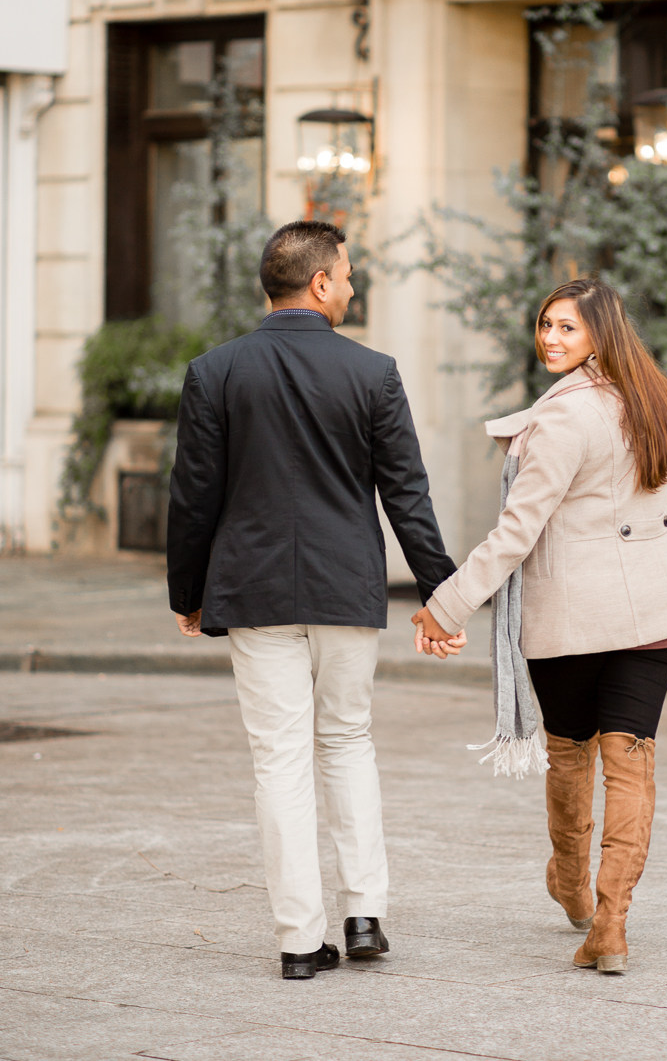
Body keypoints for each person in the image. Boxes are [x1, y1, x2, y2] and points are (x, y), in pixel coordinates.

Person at [167, 220, 461, 980]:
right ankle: (364, 911)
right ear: (321, 282)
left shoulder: (215, 371)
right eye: (350, 275)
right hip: (344, 588)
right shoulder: (373, 372)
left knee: (280, 763)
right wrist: (442, 592)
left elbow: (193, 498)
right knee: (348, 742)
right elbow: (407, 495)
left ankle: (299, 942)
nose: (355, 287)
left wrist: (188, 593)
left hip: (254, 588)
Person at [413, 279, 667, 974]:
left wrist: (445, 604)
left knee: (572, 749)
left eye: (568, 328)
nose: (550, 339)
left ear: (601, 333)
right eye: (545, 325)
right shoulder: (654, 399)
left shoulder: (563, 418)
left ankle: (575, 886)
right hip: (657, 611)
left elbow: (517, 531)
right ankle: (611, 922)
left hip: (577, 617)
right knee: (629, 759)